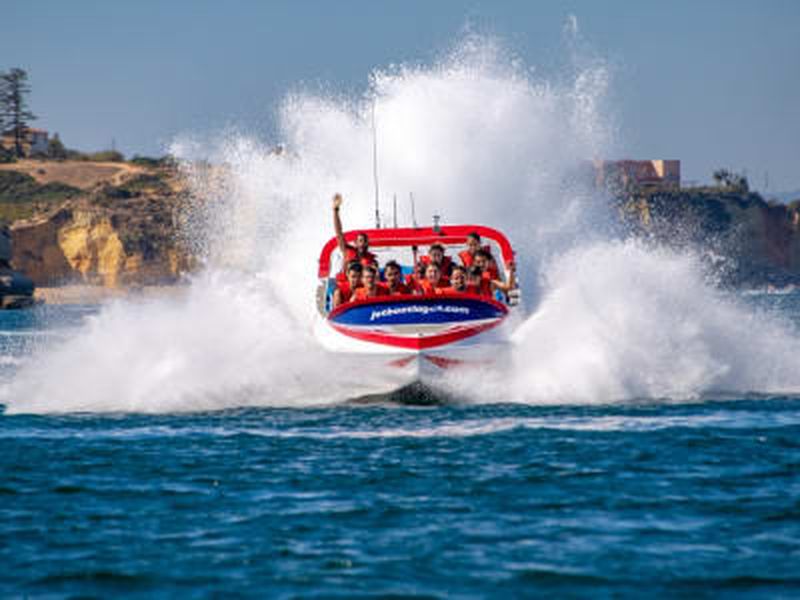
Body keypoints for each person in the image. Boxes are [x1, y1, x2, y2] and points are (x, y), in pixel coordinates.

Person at [332, 193, 377, 269]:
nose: (363, 243)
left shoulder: (372, 261)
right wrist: (335, 211)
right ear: (355, 243)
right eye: (360, 241)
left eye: (365, 241)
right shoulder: (347, 251)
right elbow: (339, 233)